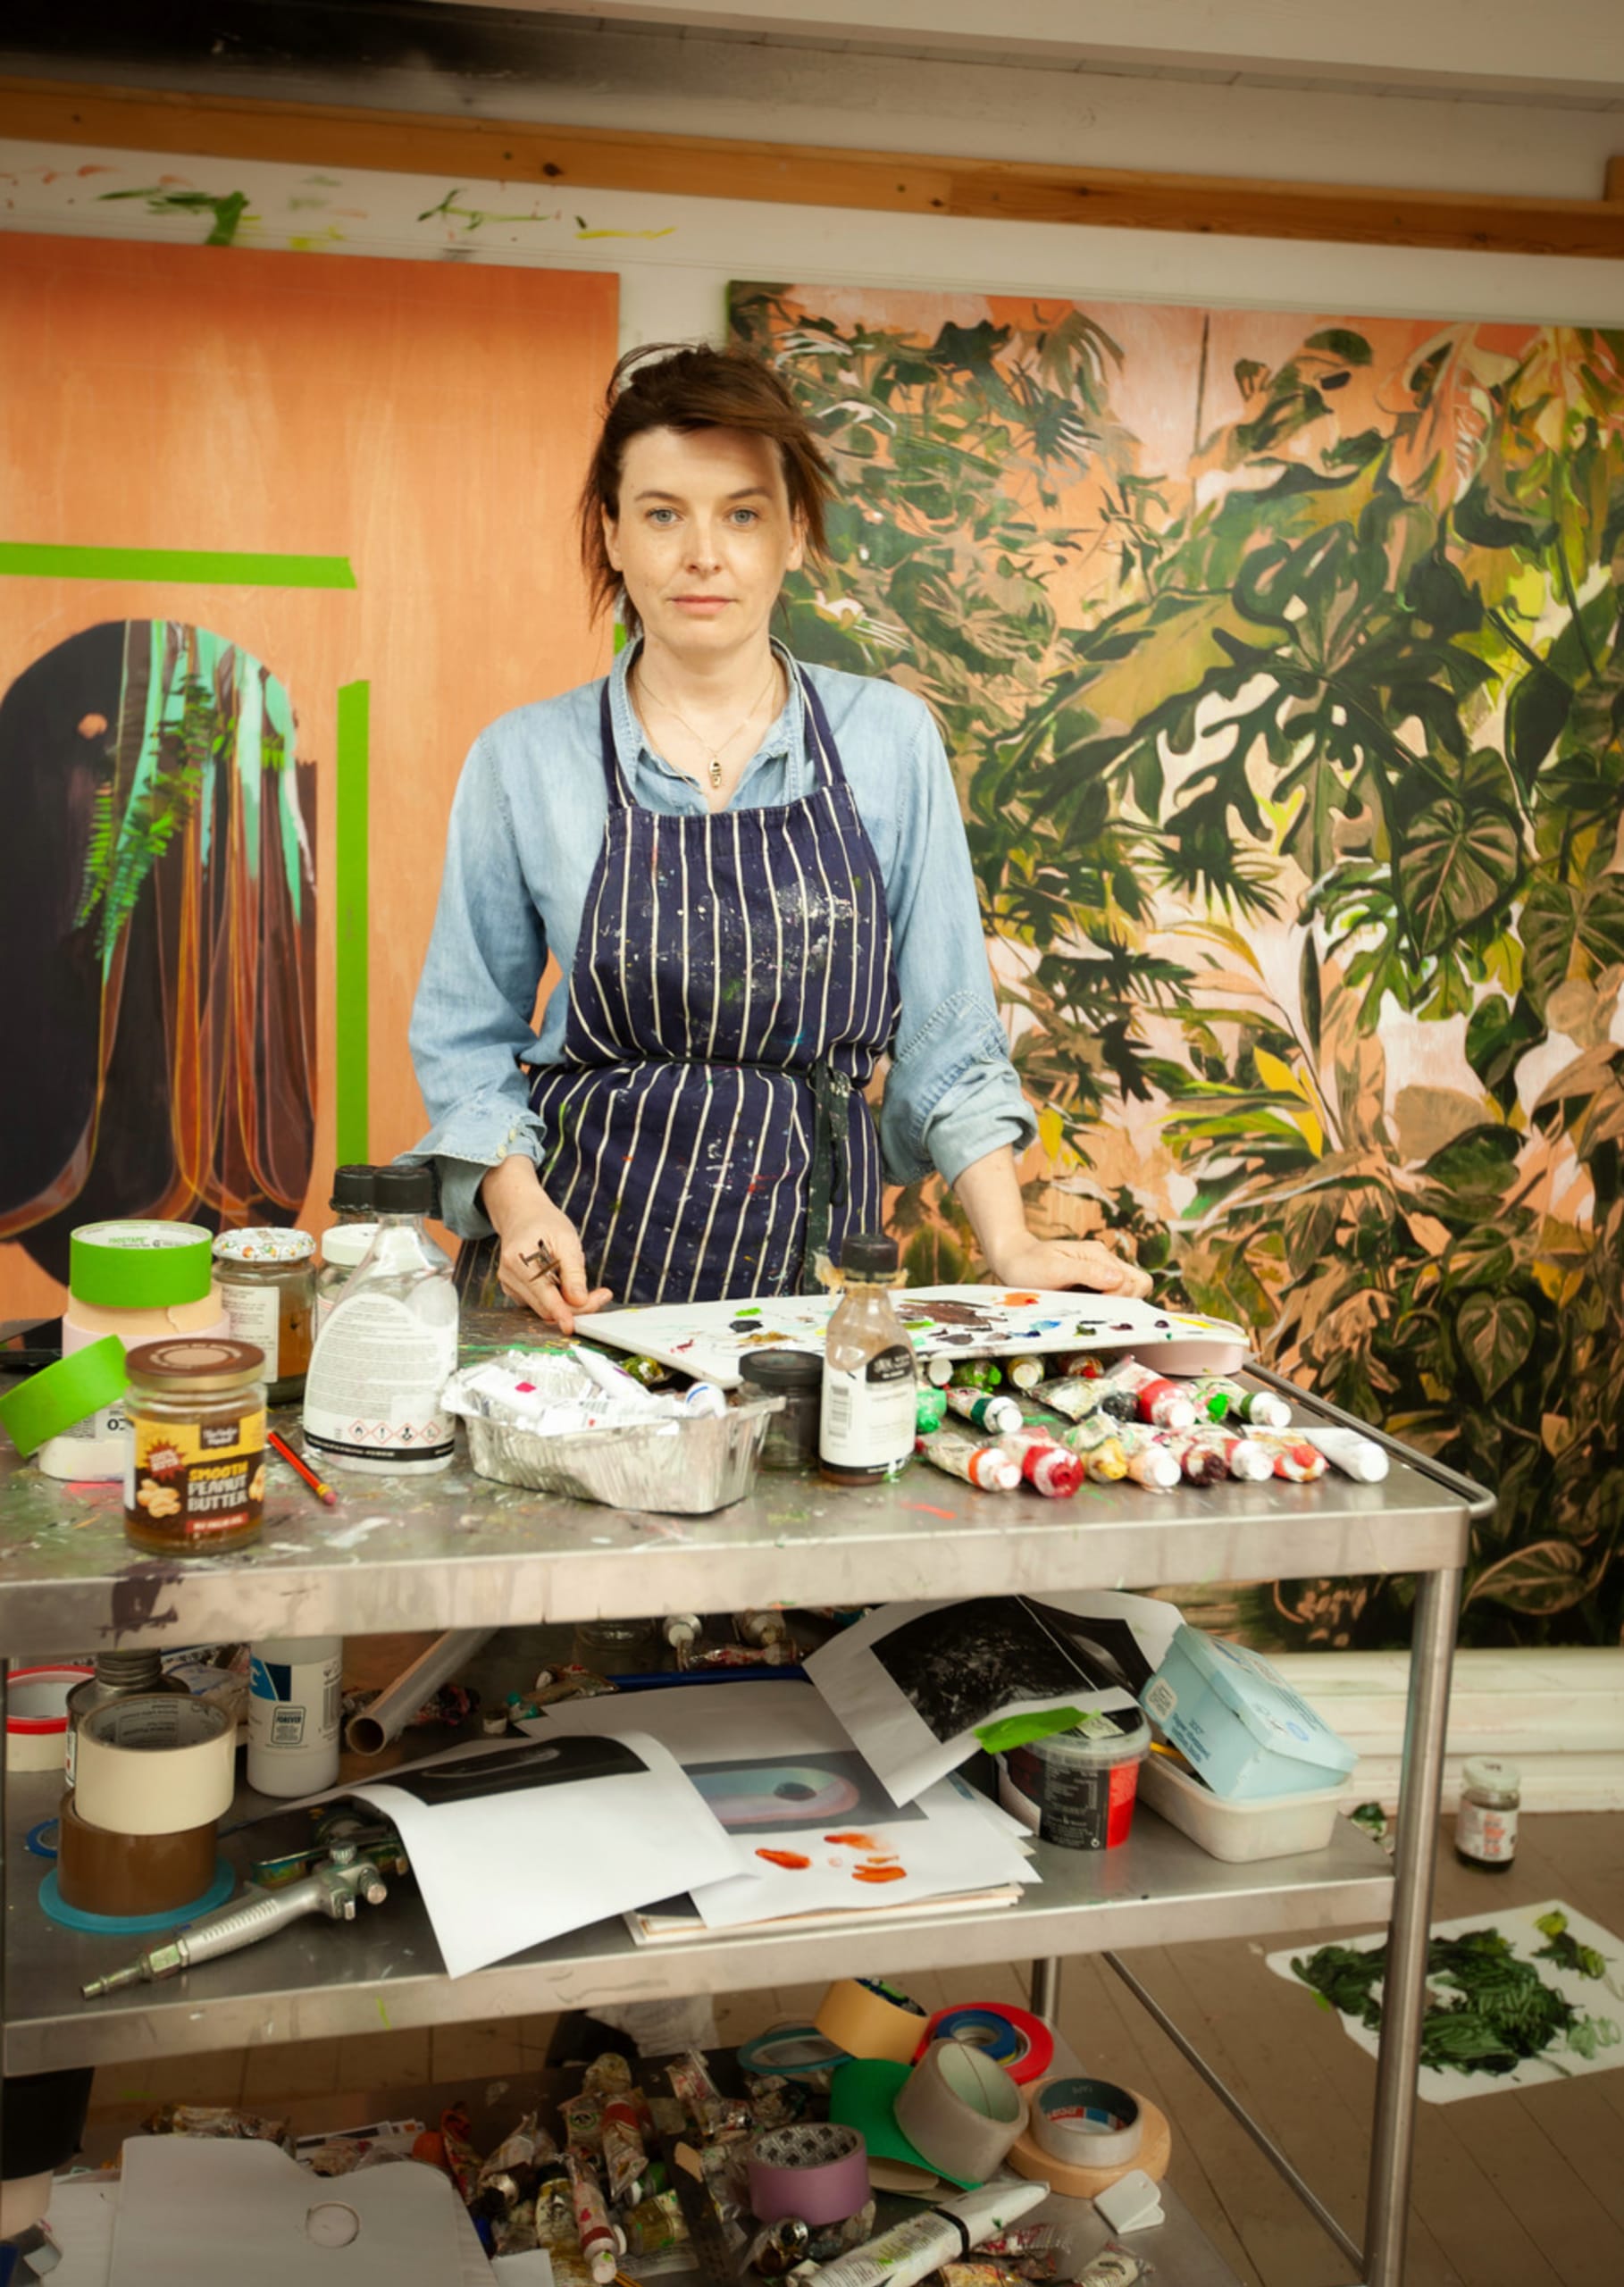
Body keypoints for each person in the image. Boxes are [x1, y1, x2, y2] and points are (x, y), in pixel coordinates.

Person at [409, 343, 1151, 1333]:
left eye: (742, 514)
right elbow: (467, 1038)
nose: (703, 553)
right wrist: (517, 1203)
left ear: (793, 535)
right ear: (614, 534)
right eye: (663, 514)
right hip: (570, 1290)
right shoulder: (524, 760)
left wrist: (1008, 1242)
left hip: (811, 1301)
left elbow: (950, 1037)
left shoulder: (887, 742)